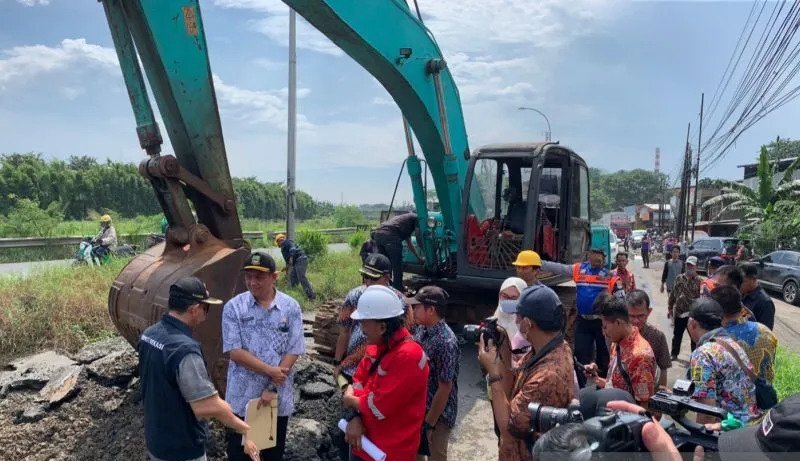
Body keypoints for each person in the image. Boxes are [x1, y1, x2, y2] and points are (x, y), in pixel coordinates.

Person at [138, 276, 259, 461]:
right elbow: (205, 406)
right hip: (182, 448)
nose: (206, 314)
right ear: (194, 310)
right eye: (206, 307)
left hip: (157, 439)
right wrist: (245, 429)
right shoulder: (184, 350)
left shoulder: (150, 334)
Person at [222, 252, 305, 461]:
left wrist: (272, 388)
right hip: (243, 401)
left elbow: (294, 349)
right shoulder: (234, 307)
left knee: (271, 455)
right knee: (239, 455)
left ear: (274, 277)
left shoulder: (290, 307)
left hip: (276, 401)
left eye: (259, 277)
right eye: (248, 277)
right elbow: (235, 351)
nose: (252, 282)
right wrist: (270, 371)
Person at [478, 284, 576, 461]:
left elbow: (508, 430)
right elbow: (514, 384)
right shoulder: (553, 347)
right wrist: (505, 349)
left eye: (518, 315)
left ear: (527, 324)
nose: (514, 320)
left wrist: (492, 372)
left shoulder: (547, 377)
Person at [341, 285, 429, 461]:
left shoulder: (408, 355)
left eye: (364, 322)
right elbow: (358, 380)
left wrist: (351, 400)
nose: (361, 329)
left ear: (382, 327)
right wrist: (355, 417)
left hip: (390, 452)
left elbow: (380, 406)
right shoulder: (377, 347)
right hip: (363, 443)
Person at [541, 247, 624, 377]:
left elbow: (621, 300)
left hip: (602, 323)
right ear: (588, 256)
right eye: (595, 258)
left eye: (601, 259)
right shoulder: (579, 269)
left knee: (604, 354)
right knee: (580, 354)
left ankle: (602, 385)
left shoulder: (610, 276)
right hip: (583, 321)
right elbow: (559, 267)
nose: (598, 261)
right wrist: (540, 263)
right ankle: (580, 385)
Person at [686, 297, 762, 425]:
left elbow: (706, 412)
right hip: (751, 425)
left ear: (692, 323)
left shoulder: (702, 355)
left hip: (728, 431)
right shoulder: (732, 344)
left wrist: (700, 441)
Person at [334, 253, 410, 380]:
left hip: (385, 370)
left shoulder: (400, 302)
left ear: (387, 278)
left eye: (373, 278)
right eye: (365, 276)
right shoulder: (354, 296)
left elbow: (407, 336)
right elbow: (344, 331)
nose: (368, 282)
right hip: (353, 368)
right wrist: (337, 362)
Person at [408, 286, 459, 461]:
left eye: (417, 307)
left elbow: (445, 387)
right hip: (420, 407)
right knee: (416, 453)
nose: (413, 310)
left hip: (439, 415)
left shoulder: (446, 342)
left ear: (431, 310)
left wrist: (429, 423)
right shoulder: (421, 330)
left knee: (436, 454)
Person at [585, 295, 656, 408]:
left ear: (618, 323)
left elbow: (643, 406)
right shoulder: (617, 343)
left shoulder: (640, 356)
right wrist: (596, 380)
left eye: (605, 327)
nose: (603, 333)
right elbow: (617, 386)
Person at [710, 286, 777, 385]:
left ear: (717, 311)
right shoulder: (766, 331)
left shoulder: (718, 341)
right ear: (740, 305)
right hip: (766, 396)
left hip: (737, 398)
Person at [626, 290, 671, 390]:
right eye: (632, 316)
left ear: (649, 311)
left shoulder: (657, 337)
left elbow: (664, 368)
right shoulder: (617, 335)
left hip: (647, 393)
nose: (636, 321)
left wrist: (661, 394)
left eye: (641, 316)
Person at [372, 212, 424, 291]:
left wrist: (417, 256)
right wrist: (422, 254)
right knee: (397, 265)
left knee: (385, 264)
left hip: (378, 233)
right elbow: (418, 236)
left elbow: (409, 243)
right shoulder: (416, 217)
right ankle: (398, 288)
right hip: (390, 235)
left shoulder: (403, 220)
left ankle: (385, 286)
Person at [668, 256, 702, 360]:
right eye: (687, 265)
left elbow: (701, 298)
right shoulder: (679, 278)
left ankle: (694, 357)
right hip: (679, 312)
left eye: (691, 265)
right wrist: (669, 306)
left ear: (696, 267)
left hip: (692, 315)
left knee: (694, 337)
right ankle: (674, 354)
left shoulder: (699, 281)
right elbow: (673, 293)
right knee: (677, 335)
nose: (689, 267)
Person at [492, 277, 530, 365]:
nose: (508, 300)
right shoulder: (493, 321)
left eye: (514, 298)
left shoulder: (528, 325)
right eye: (504, 296)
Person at [274, 233, 315, 301]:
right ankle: (294, 295)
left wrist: (291, 257)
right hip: (296, 263)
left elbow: (292, 248)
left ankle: (311, 296)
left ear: (279, 241)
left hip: (300, 259)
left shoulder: (286, 242)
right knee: (293, 278)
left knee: (301, 277)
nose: (277, 245)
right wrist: (286, 267)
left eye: (277, 243)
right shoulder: (283, 248)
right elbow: (289, 262)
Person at [741, 263, 775, 330]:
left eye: (743, 281)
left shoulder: (765, 303)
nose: (739, 284)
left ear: (753, 279)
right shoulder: (741, 293)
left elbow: (766, 333)